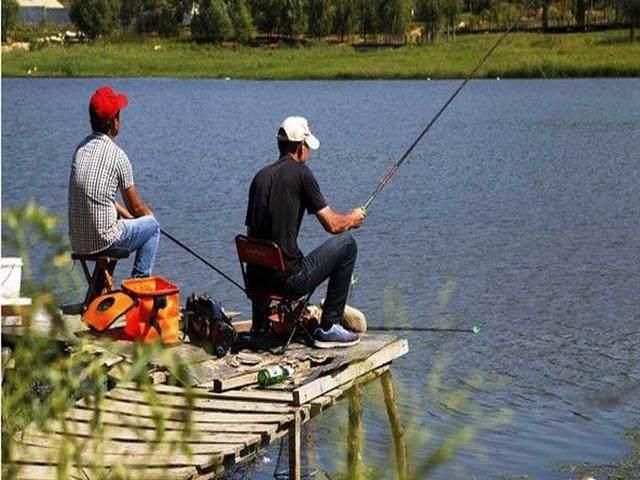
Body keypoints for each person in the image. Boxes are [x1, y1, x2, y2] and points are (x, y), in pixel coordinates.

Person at [245, 116, 366, 348]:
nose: (308, 152)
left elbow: (252, 234)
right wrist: (353, 218)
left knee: (263, 251)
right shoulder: (302, 173)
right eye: (308, 146)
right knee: (347, 245)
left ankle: (259, 325)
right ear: (300, 147)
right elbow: (333, 225)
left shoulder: (259, 177)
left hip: (257, 282)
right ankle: (329, 327)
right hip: (289, 282)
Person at [68, 85, 160, 278]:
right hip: (104, 241)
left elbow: (101, 198)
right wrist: (148, 218)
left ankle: (98, 291)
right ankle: (138, 287)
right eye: (119, 115)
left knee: (115, 224)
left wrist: (127, 217)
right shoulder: (118, 156)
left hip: (79, 242)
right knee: (152, 229)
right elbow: (137, 208)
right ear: (113, 122)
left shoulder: (80, 150)